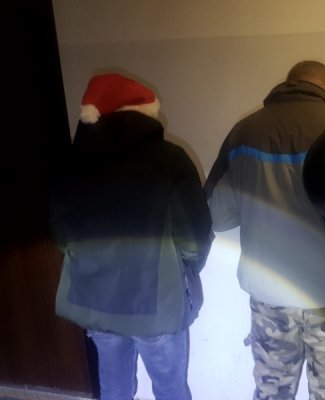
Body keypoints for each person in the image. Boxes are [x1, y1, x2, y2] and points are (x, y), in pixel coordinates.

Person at [204, 60, 325, 400]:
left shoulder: (244, 132)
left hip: (270, 297)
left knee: (271, 391)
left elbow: (218, 215)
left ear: (288, 83)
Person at [49, 73, 213, 400]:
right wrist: (188, 270)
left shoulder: (69, 164)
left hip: (96, 302)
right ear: (143, 114)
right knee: (171, 390)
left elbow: (61, 237)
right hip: (154, 306)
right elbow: (193, 241)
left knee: (114, 389)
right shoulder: (171, 160)